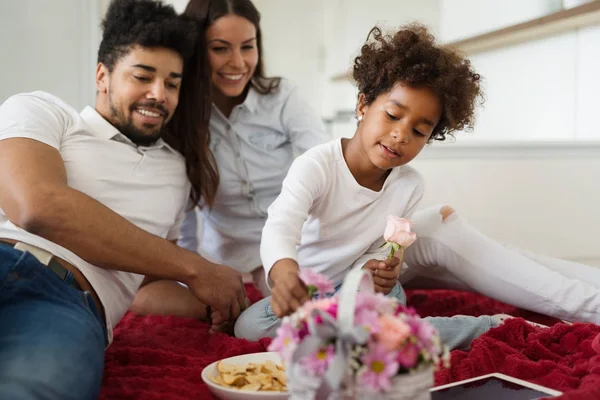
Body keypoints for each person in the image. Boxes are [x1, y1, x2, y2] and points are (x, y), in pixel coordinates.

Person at [233, 24, 600, 350]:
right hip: (317, 293)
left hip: (357, 291)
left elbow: (379, 250)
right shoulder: (316, 166)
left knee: (368, 317)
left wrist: (382, 269)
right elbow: (281, 224)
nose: (400, 134)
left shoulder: (409, 185)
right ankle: (429, 331)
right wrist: (282, 271)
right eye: (392, 116)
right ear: (363, 104)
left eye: (419, 131)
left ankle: (483, 329)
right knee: (250, 329)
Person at [0, 0, 247, 398]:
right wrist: (197, 268)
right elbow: (36, 206)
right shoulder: (43, 111)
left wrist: (217, 306)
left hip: (67, 303)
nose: (158, 94)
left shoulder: (177, 174)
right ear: (102, 75)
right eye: (142, 76)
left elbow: (147, 284)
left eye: (172, 83)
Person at [132, 0, 330, 318]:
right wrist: (193, 275)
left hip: (291, 244)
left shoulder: (282, 98)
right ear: (196, 51)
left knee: (307, 308)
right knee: (144, 299)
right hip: (223, 257)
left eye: (247, 47)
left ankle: (248, 312)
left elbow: (326, 164)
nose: (237, 62)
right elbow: (181, 215)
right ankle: (237, 312)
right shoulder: (180, 115)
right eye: (221, 48)